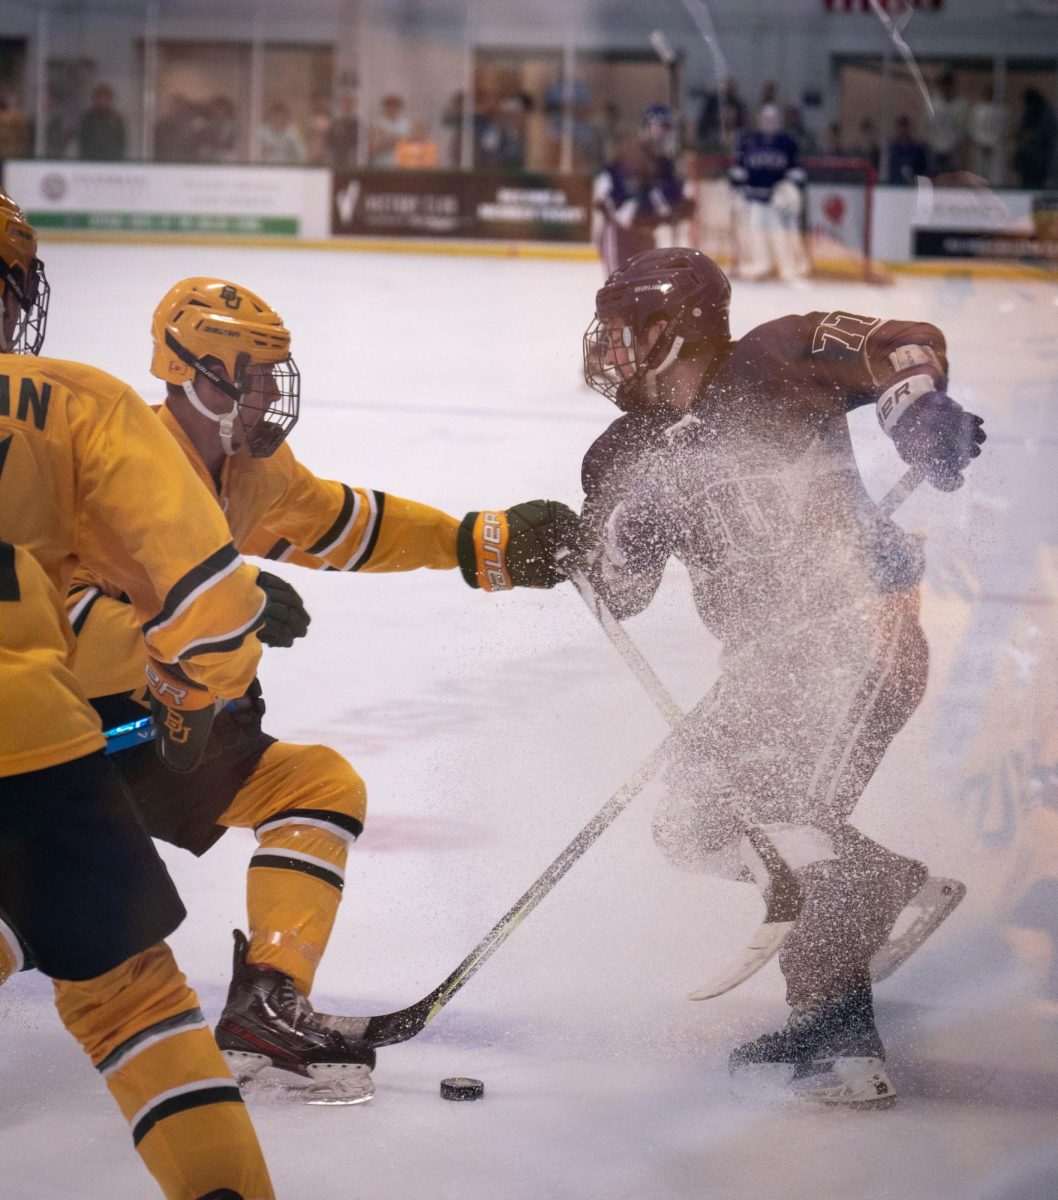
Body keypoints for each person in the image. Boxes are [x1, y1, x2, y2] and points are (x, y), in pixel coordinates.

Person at [63, 275, 568, 1103]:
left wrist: (477, 543)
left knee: (315, 786)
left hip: (167, 733)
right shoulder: (120, 470)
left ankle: (268, 1000)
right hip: (72, 735)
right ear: (200, 371)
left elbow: (343, 522)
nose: (271, 390)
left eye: (273, 371)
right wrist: (215, 620)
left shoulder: (244, 468)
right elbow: (64, 630)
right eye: (255, 372)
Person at [565, 246, 985, 1107]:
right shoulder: (620, 453)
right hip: (761, 668)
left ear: (671, 331)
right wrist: (617, 544)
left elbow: (904, 340)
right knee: (693, 823)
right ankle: (885, 885)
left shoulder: (778, 356)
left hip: (857, 634)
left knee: (793, 817)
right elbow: (624, 595)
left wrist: (917, 412)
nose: (606, 350)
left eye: (621, 332)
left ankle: (841, 1044)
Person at [0, 190, 275, 1197]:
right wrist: (191, 700)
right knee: (132, 1004)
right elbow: (212, 602)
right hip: (34, 737)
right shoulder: (72, 398)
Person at [593, 105, 693, 277]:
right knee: (619, 289)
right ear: (645, 127)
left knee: (645, 291)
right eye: (657, 127)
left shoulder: (667, 166)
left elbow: (683, 208)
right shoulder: (628, 158)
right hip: (620, 236)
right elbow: (618, 208)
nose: (661, 134)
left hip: (646, 236)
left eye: (665, 128)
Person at [729, 103, 809, 283]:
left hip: (777, 199)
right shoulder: (748, 141)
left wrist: (788, 190)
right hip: (754, 197)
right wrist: (738, 188)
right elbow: (738, 171)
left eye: (772, 119)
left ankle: (791, 267)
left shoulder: (788, 142)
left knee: (782, 234)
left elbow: (797, 172)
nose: (769, 123)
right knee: (755, 233)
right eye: (766, 119)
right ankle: (761, 265)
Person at [1013, 87, 1057, 189]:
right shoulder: (1038, 111)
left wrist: (1028, 135)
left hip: (1038, 155)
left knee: (1033, 183)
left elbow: (1044, 133)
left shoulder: (1041, 112)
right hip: (1032, 156)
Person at [927, 71, 969, 177]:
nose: (945, 88)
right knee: (936, 181)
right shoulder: (932, 105)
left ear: (952, 86)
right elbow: (926, 128)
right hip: (935, 151)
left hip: (954, 152)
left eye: (948, 85)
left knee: (954, 182)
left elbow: (963, 129)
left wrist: (950, 145)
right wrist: (935, 144)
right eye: (943, 85)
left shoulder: (961, 105)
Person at [77, 82, 126, 160]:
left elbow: (121, 143)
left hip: (112, 162)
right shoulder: (87, 119)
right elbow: (82, 143)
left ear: (110, 100)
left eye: (105, 98)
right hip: (90, 162)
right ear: (95, 99)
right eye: (100, 98)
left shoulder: (117, 120)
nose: (102, 101)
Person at [368, 93, 411, 166]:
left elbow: (415, 146)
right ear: (384, 107)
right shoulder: (377, 124)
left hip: (403, 166)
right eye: (389, 106)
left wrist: (400, 142)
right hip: (381, 165)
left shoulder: (407, 125)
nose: (392, 109)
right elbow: (371, 150)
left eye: (395, 106)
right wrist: (387, 144)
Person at [257, 100, 306, 165]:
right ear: (269, 117)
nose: (277, 119)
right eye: (274, 116)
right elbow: (252, 152)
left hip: (287, 170)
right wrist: (264, 149)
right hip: (263, 168)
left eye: (280, 117)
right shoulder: (261, 131)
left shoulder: (292, 132)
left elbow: (302, 154)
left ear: (285, 117)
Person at [887, 115, 929, 185]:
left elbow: (923, 169)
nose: (902, 130)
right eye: (900, 127)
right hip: (895, 186)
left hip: (913, 186)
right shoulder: (892, 148)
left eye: (905, 127)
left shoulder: (917, 149)